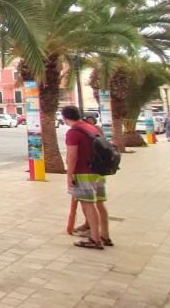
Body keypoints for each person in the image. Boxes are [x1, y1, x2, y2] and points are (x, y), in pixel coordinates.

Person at [62, 105, 112, 249]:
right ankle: (105, 235)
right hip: (98, 171)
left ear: (65, 118)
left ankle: (95, 239)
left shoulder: (73, 132)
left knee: (88, 204)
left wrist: (69, 175)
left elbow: (72, 156)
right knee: (100, 203)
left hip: (84, 172)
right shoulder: (92, 128)